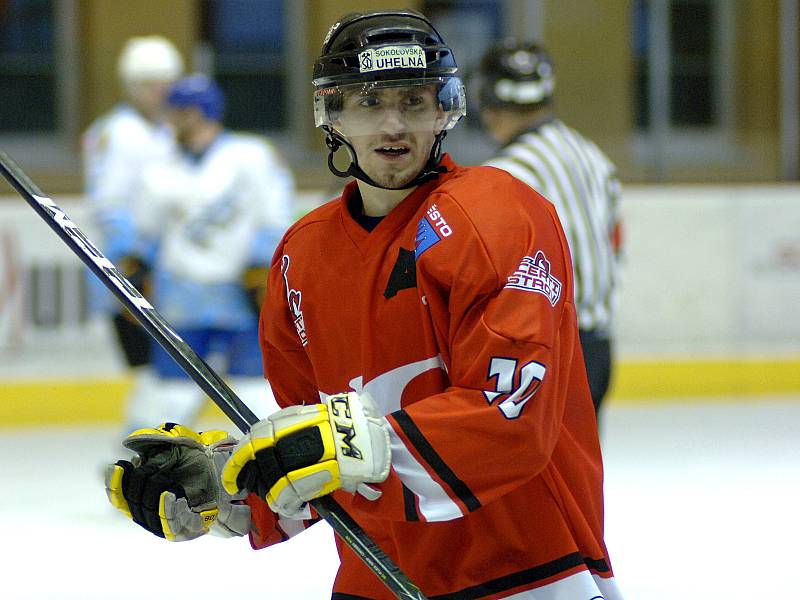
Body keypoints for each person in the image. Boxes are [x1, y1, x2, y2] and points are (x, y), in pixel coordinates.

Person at [104, 10, 623, 600]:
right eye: (369, 101)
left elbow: (511, 415)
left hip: (526, 573)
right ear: (333, 113)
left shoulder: (500, 214)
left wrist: (340, 447)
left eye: (413, 100)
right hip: (374, 577)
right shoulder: (301, 256)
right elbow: (314, 450)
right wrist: (231, 485)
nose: (393, 124)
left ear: (444, 109)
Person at [128, 73, 294, 429]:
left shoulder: (252, 157)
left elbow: (275, 217)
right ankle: (149, 464)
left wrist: (261, 267)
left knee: (256, 391)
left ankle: (273, 462)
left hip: (241, 297)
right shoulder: (159, 169)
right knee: (169, 395)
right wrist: (138, 269)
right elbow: (147, 234)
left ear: (198, 112)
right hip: (181, 297)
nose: (171, 118)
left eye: (178, 111)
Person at [474, 40, 623, 416]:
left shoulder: (507, 173)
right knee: (581, 472)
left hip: (549, 349)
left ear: (489, 106)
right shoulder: (591, 154)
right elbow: (614, 244)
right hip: (600, 345)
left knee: (538, 472)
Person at [82, 36, 183, 434]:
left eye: (164, 82)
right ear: (131, 86)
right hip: (135, 263)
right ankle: (145, 435)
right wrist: (131, 259)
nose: (159, 92)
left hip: (174, 265)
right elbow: (109, 204)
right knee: (146, 361)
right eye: (149, 83)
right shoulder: (114, 133)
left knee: (172, 360)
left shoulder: (172, 130)